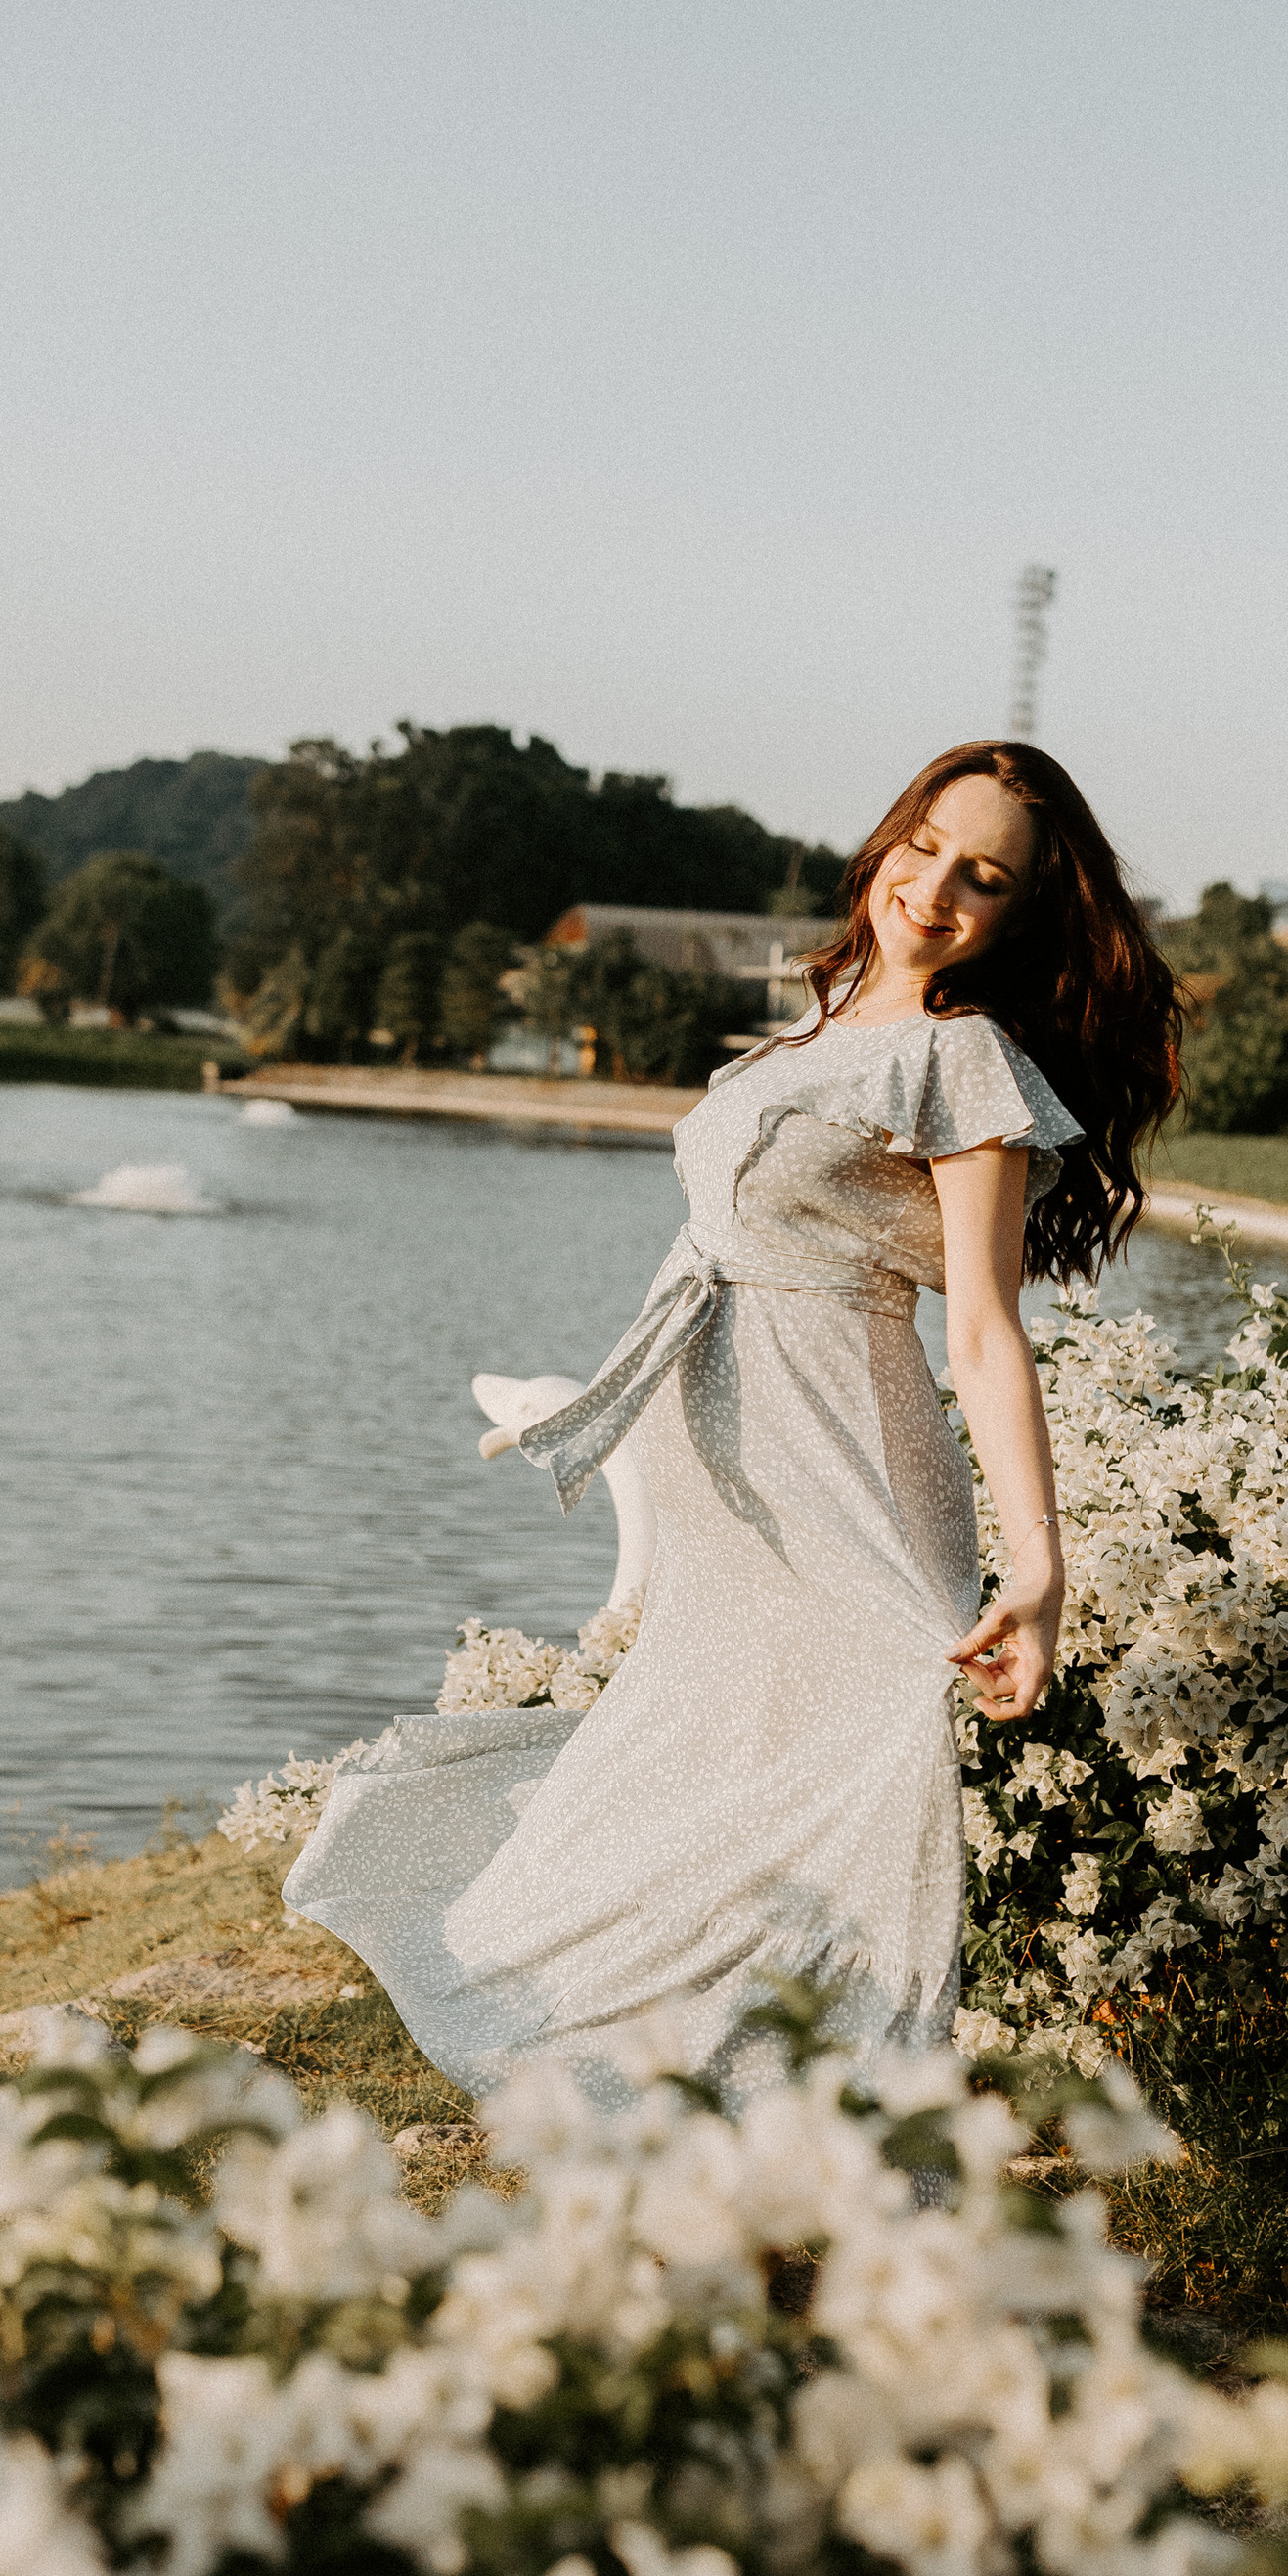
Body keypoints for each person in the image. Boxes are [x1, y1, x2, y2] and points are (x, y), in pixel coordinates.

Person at [284, 742, 1182, 2103]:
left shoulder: (962, 1062)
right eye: (924, 846)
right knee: (705, 1769)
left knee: (857, 1772)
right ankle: (692, 2099)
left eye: (983, 879)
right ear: (889, 839)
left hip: (844, 1463)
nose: (932, 890)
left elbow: (988, 1334)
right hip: (732, 1483)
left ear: (1019, 919)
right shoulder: (818, 1029)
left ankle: (835, 2118)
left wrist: (1041, 1570)